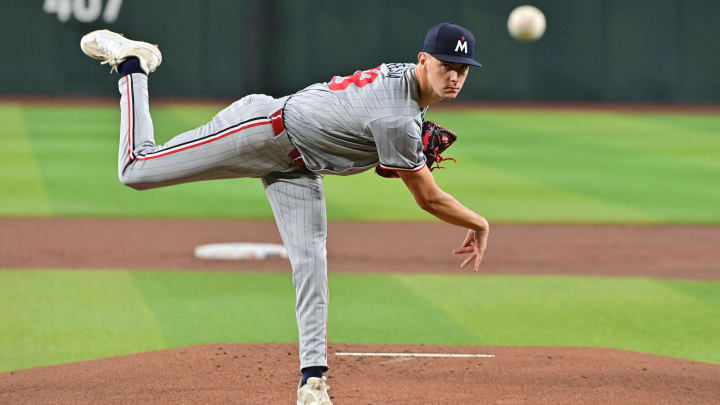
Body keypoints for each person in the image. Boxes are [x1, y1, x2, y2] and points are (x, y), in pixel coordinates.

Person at [80, 22, 489, 405]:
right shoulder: (398, 120)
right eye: (445, 66)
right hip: (261, 129)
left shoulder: (404, 87)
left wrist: (398, 144)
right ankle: (133, 65)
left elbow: (373, 123)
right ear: (423, 61)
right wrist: (478, 221)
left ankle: (312, 382)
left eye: (462, 70)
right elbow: (428, 198)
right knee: (137, 170)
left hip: (299, 165)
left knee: (311, 259)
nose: (453, 77)